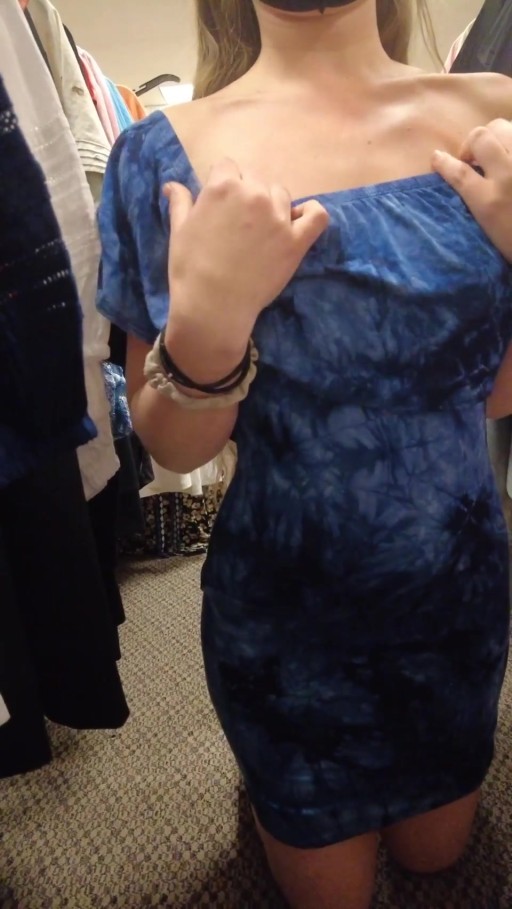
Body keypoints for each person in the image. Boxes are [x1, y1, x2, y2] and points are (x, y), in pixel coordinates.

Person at [97, 2, 512, 907]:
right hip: (289, 631)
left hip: (458, 606)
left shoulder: (495, 118)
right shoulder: (163, 156)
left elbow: (496, 394)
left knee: (439, 859)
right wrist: (209, 322)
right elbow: (174, 442)